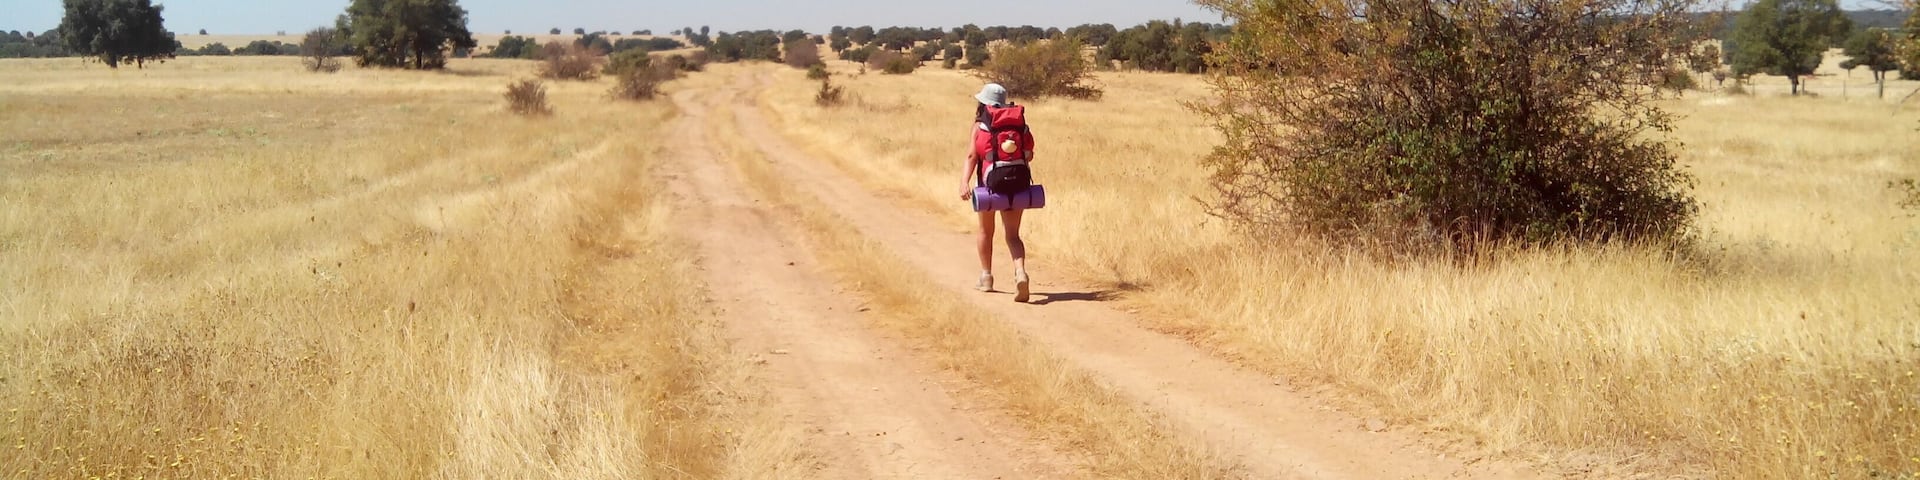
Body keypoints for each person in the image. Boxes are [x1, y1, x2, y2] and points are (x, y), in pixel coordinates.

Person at [959, 83, 1034, 302]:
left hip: (989, 187)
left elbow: (972, 156)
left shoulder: (980, 126)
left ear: (983, 102)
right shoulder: (1019, 124)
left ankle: (987, 277)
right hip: (1017, 186)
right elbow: (1029, 155)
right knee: (1012, 235)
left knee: (985, 232)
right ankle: (1020, 272)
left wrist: (964, 182)